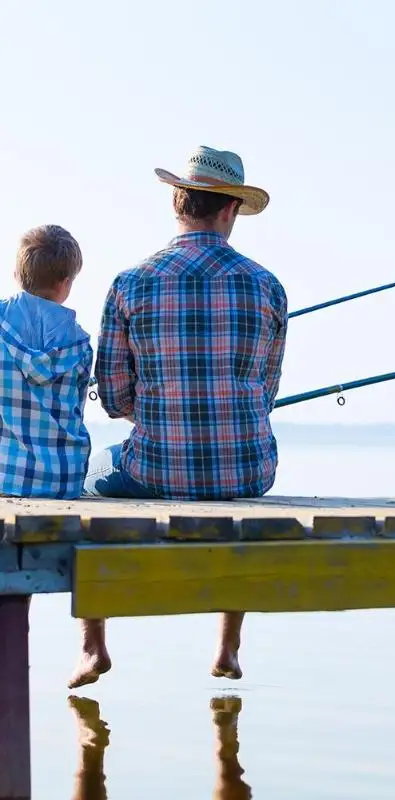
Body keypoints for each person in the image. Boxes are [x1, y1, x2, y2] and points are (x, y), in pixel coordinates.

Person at [72, 146, 288, 690]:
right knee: (234, 500)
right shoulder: (268, 286)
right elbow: (264, 394)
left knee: (84, 480)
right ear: (230, 210)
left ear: (177, 203)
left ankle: (93, 647)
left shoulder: (130, 283)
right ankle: (228, 647)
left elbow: (116, 399)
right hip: (248, 473)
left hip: (155, 470)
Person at [0, 225, 92, 500]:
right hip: (63, 480)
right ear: (66, 284)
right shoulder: (81, 344)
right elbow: (76, 411)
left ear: (17, 274)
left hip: (6, 476)